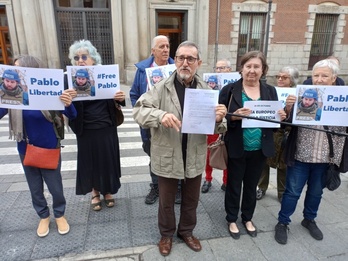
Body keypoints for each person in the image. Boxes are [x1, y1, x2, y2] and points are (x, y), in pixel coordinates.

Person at [133, 41, 227, 256]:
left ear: (198, 63)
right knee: (166, 201)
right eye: (181, 58)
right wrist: (160, 115)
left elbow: (217, 126)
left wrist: (220, 118)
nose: (185, 63)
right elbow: (139, 111)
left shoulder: (206, 90)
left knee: (191, 200)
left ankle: (186, 231)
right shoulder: (161, 87)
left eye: (190, 59)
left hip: (193, 153)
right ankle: (166, 235)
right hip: (168, 153)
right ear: (176, 60)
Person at [0, 55, 77, 237]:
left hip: (50, 147)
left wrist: (67, 102)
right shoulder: (14, 95)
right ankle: (43, 215)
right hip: (26, 148)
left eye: (18, 69)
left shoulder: (48, 89)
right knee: (34, 186)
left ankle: (59, 214)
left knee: (55, 185)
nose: (15, 72)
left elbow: (72, 114)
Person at [274, 59, 346, 245]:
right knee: (292, 192)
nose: (319, 79)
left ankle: (309, 219)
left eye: (324, 76)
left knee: (315, 193)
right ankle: (282, 222)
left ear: (334, 78)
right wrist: (288, 109)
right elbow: (285, 125)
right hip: (301, 156)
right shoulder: (302, 94)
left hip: (326, 158)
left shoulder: (343, 98)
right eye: (316, 75)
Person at [219, 51, 286, 240]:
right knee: (234, 184)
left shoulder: (270, 91)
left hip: (259, 148)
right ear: (241, 69)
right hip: (237, 146)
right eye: (248, 66)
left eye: (257, 67)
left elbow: (274, 121)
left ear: (263, 70)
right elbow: (219, 117)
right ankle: (231, 218)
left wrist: (280, 117)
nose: (252, 70)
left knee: (251, 186)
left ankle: (247, 218)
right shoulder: (230, 90)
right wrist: (234, 115)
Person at [67, 39, 126, 211]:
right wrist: (67, 99)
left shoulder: (105, 75)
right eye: (77, 58)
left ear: (93, 58)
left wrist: (121, 98)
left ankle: (108, 191)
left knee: (107, 160)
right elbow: (67, 107)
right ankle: (95, 192)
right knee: (90, 161)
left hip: (106, 126)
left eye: (84, 56)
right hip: (85, 128)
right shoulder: (71, 79)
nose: (80, 60)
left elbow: (117, 98)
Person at [129, 35, 181, 205]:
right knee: (153, 154)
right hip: (151, 123)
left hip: (174, 122)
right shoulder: (143, 70)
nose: (166, 49)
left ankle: (178, 187)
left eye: (167, 46)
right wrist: (141, 114)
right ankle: (156, 186)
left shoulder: (177, 67)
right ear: (153, 51)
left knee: (177, 153)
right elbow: (134, 94)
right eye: (161, 47)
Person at [256, 66, 299, 202]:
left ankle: (281, 192)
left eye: (284, 77)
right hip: (271, 131)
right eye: (278, 77)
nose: (280, 79)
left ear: (291, 80)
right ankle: (261, 187)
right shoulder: (270, 91)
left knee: (283, 164)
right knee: (264, 161)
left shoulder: (297, 94)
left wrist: (288, 108)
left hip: (286, 133)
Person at [201, 59, 231, 193]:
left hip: (229, 124)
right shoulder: (207, 85)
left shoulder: (235, 86)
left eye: (222, 68)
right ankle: (208, 179)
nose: (219, 71)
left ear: (229, 70)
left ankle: (226, 181)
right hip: (212, 123)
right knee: (210, 152)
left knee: (226, 154)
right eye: (217, 68)